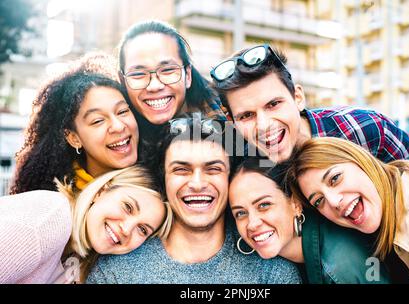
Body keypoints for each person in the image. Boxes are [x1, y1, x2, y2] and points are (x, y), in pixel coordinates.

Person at [86, 116, 301, 284]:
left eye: (213, 169)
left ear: (230, 180)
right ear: (164, 180)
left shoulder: (272, 272)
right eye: (181, 169)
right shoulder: (115, 271)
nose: (197, 183)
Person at [211, 44, 409, 164]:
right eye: (246, 115)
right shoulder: (240, 165)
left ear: (298, 97)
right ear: (232, 121)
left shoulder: (361, 127)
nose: (263, 125)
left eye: (273, 104)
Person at [289, 137, 409, 284]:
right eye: (318, 200)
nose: (333, 201)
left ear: (361, 161)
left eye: (335, 178)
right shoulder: (378, 234)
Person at [228, 156, 391, 284]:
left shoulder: (342, 266)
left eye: (264, 205)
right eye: (241, 213)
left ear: (296, 204)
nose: (252, 223)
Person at [0, 165, 172, 283]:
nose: (127, 229)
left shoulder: (80, 261)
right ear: (101, 191)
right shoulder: (51, 215)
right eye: (127, 207)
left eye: (142, 229)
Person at [10, 54, 139, 194]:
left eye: (122, 111)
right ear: (74, 138)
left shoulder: (161, 181)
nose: (118, 126)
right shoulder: (59, 205)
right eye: (98, 120)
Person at [117, 19, 228, 128]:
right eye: (138, 74)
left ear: (188, 75)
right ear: (122, 81)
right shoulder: (117, 124)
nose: (154, 86)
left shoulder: (232, 118)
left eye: (167, 70)